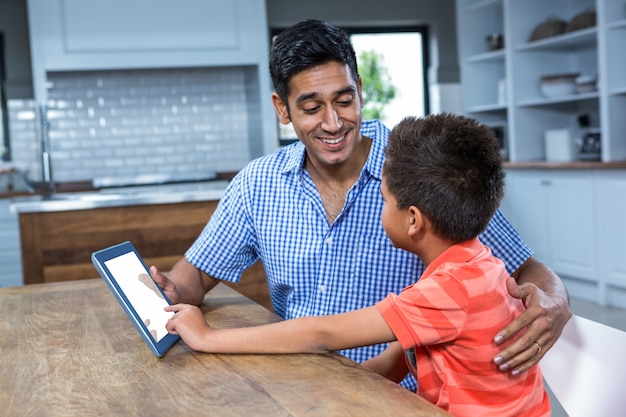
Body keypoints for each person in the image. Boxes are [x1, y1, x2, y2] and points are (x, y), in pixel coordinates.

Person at [151, 19, 571, 389]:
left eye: (344, 100)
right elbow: (195, 277)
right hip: (298, 386)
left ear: (361, 91)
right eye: (312, 107)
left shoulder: (416, 168)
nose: (333, 123)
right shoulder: (257, 183)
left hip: (404, 395)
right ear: (283, 109)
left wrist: (556, 300)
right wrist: (171, 292)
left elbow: (523, 266)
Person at [165, 113, 551, 417]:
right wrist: (324, 397)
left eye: (384, 200)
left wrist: (207, 337)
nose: (379, 208)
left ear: (414, 220)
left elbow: (322, 334)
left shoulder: (445, 292)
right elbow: (398, 359)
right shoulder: (481, 266)